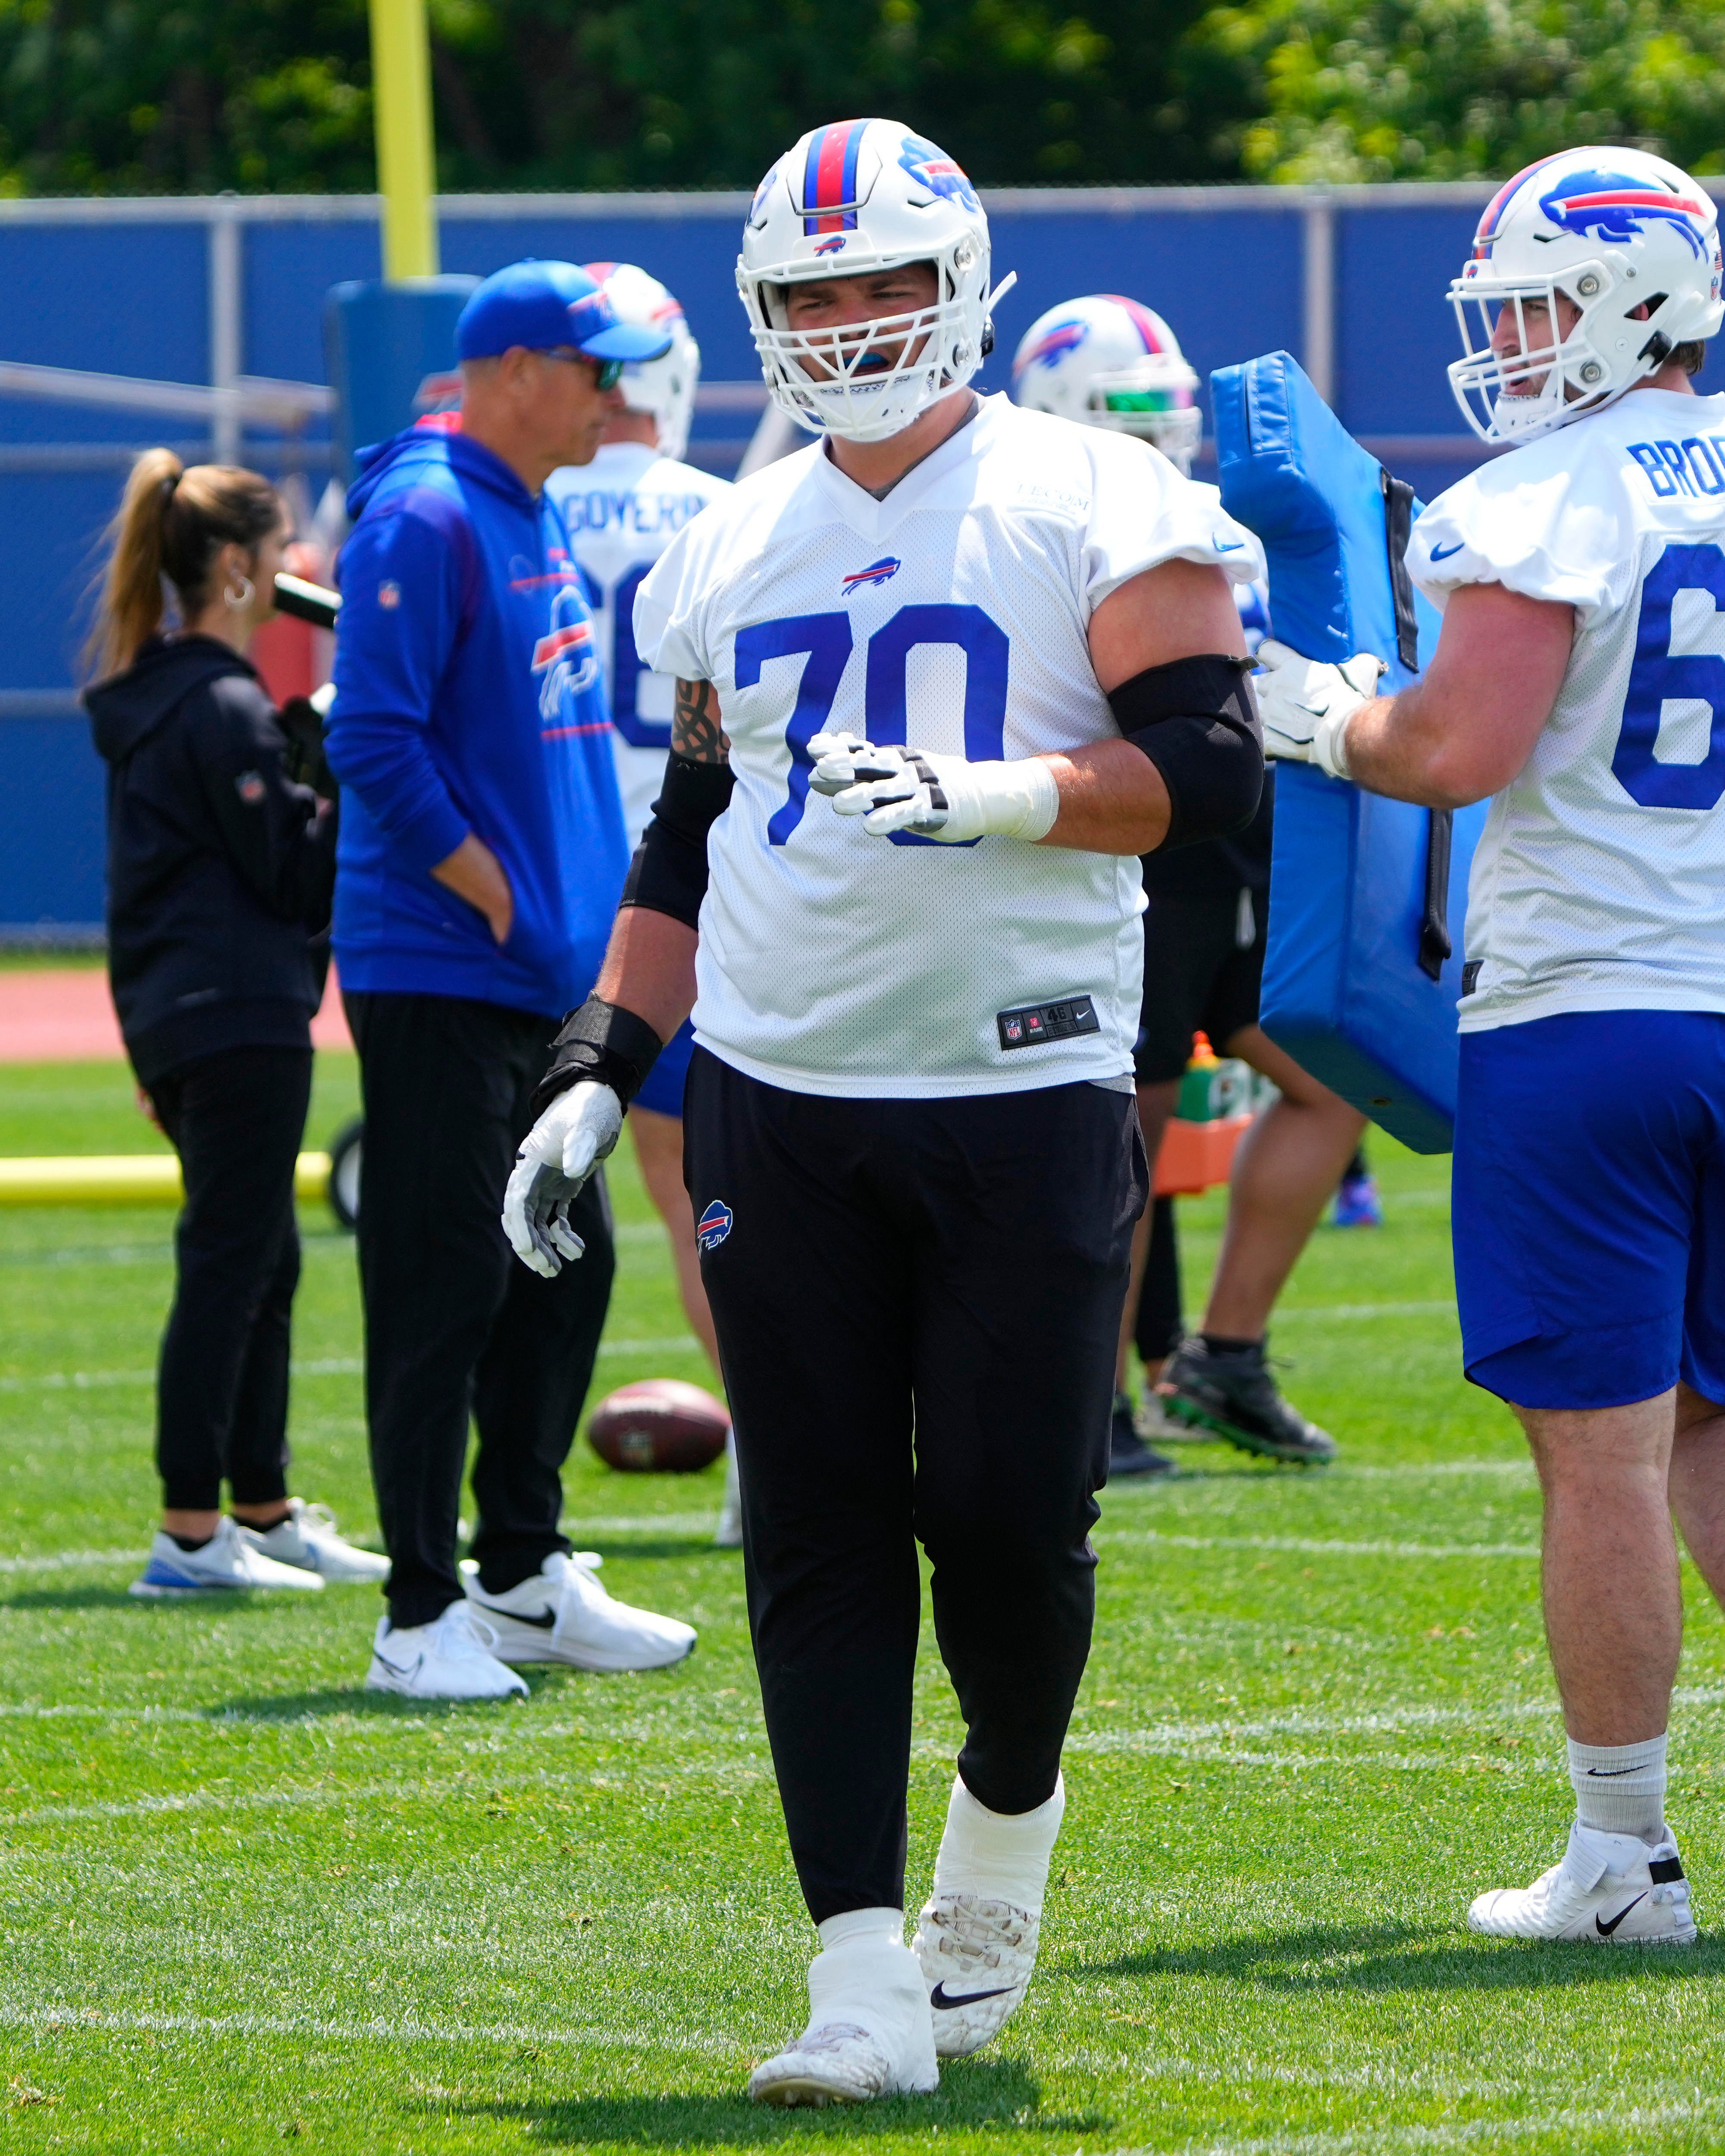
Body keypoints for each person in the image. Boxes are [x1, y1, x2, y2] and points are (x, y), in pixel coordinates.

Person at [502, 119, 1265, 2103]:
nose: (848, 324)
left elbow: (1206, 767)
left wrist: (1008, 794)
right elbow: (688, 829)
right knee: (816, 1534)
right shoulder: (721, 541)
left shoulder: (1094, 490)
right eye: (813, 294)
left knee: (1007, 1529)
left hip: (1017, 1081)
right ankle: (852, 1974)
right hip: (777, 1092)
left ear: (965, 286)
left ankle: (999, 1830)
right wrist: (600, 1058)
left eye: (882, 284)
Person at [1255, 143, 1725, 1944]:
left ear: (1631, 297)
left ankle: (1618, 1860)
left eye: (1534, 302)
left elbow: (1455, 750)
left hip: (1592, 1012)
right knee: (1700, 1430)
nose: (1513, 340)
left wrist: (1328, 719)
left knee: (1598, 1452)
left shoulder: (1541, 495)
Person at [325, 259, 698, 1700]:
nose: (614, 394)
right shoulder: (424, 510)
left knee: (564, 1266)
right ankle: (418, 1610)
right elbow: (373, 740)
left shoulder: (516, 503)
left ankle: (523, 1570)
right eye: (593, 368)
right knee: (442, 1279)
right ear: (517, 371)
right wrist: (499, 893)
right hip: (444, 971)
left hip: (541, 972)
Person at [1014, 294, 1356, 1475]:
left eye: (1167, 410)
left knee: (1330, 1087)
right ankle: (1089, 1397)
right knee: (1127, 1130)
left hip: (1254, 858)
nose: (1156, 435)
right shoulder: (1056, 528)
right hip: (1148, 862)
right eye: (1126, 411)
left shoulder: (1220, 522)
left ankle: (1222, 1354)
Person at [84, 450, 385, 1598]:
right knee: (230, 1261)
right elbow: (297, 880)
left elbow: (147, 883)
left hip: (185, 1014)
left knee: (261, 1258)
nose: (292, 572)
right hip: (237, 1013)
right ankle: (192, 1530)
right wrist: (343, 764)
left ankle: (256, 1505)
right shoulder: (218, 705)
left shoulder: (163, 697)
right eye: (276, 556)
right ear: (234, 567)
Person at [545, 262, 743, 1546]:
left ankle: (504, 1510)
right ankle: (767, 1462)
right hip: (681, 889)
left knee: (496, 1193)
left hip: (538, 878)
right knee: (697, 1198)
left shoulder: (519, 506)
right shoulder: (729, 513)